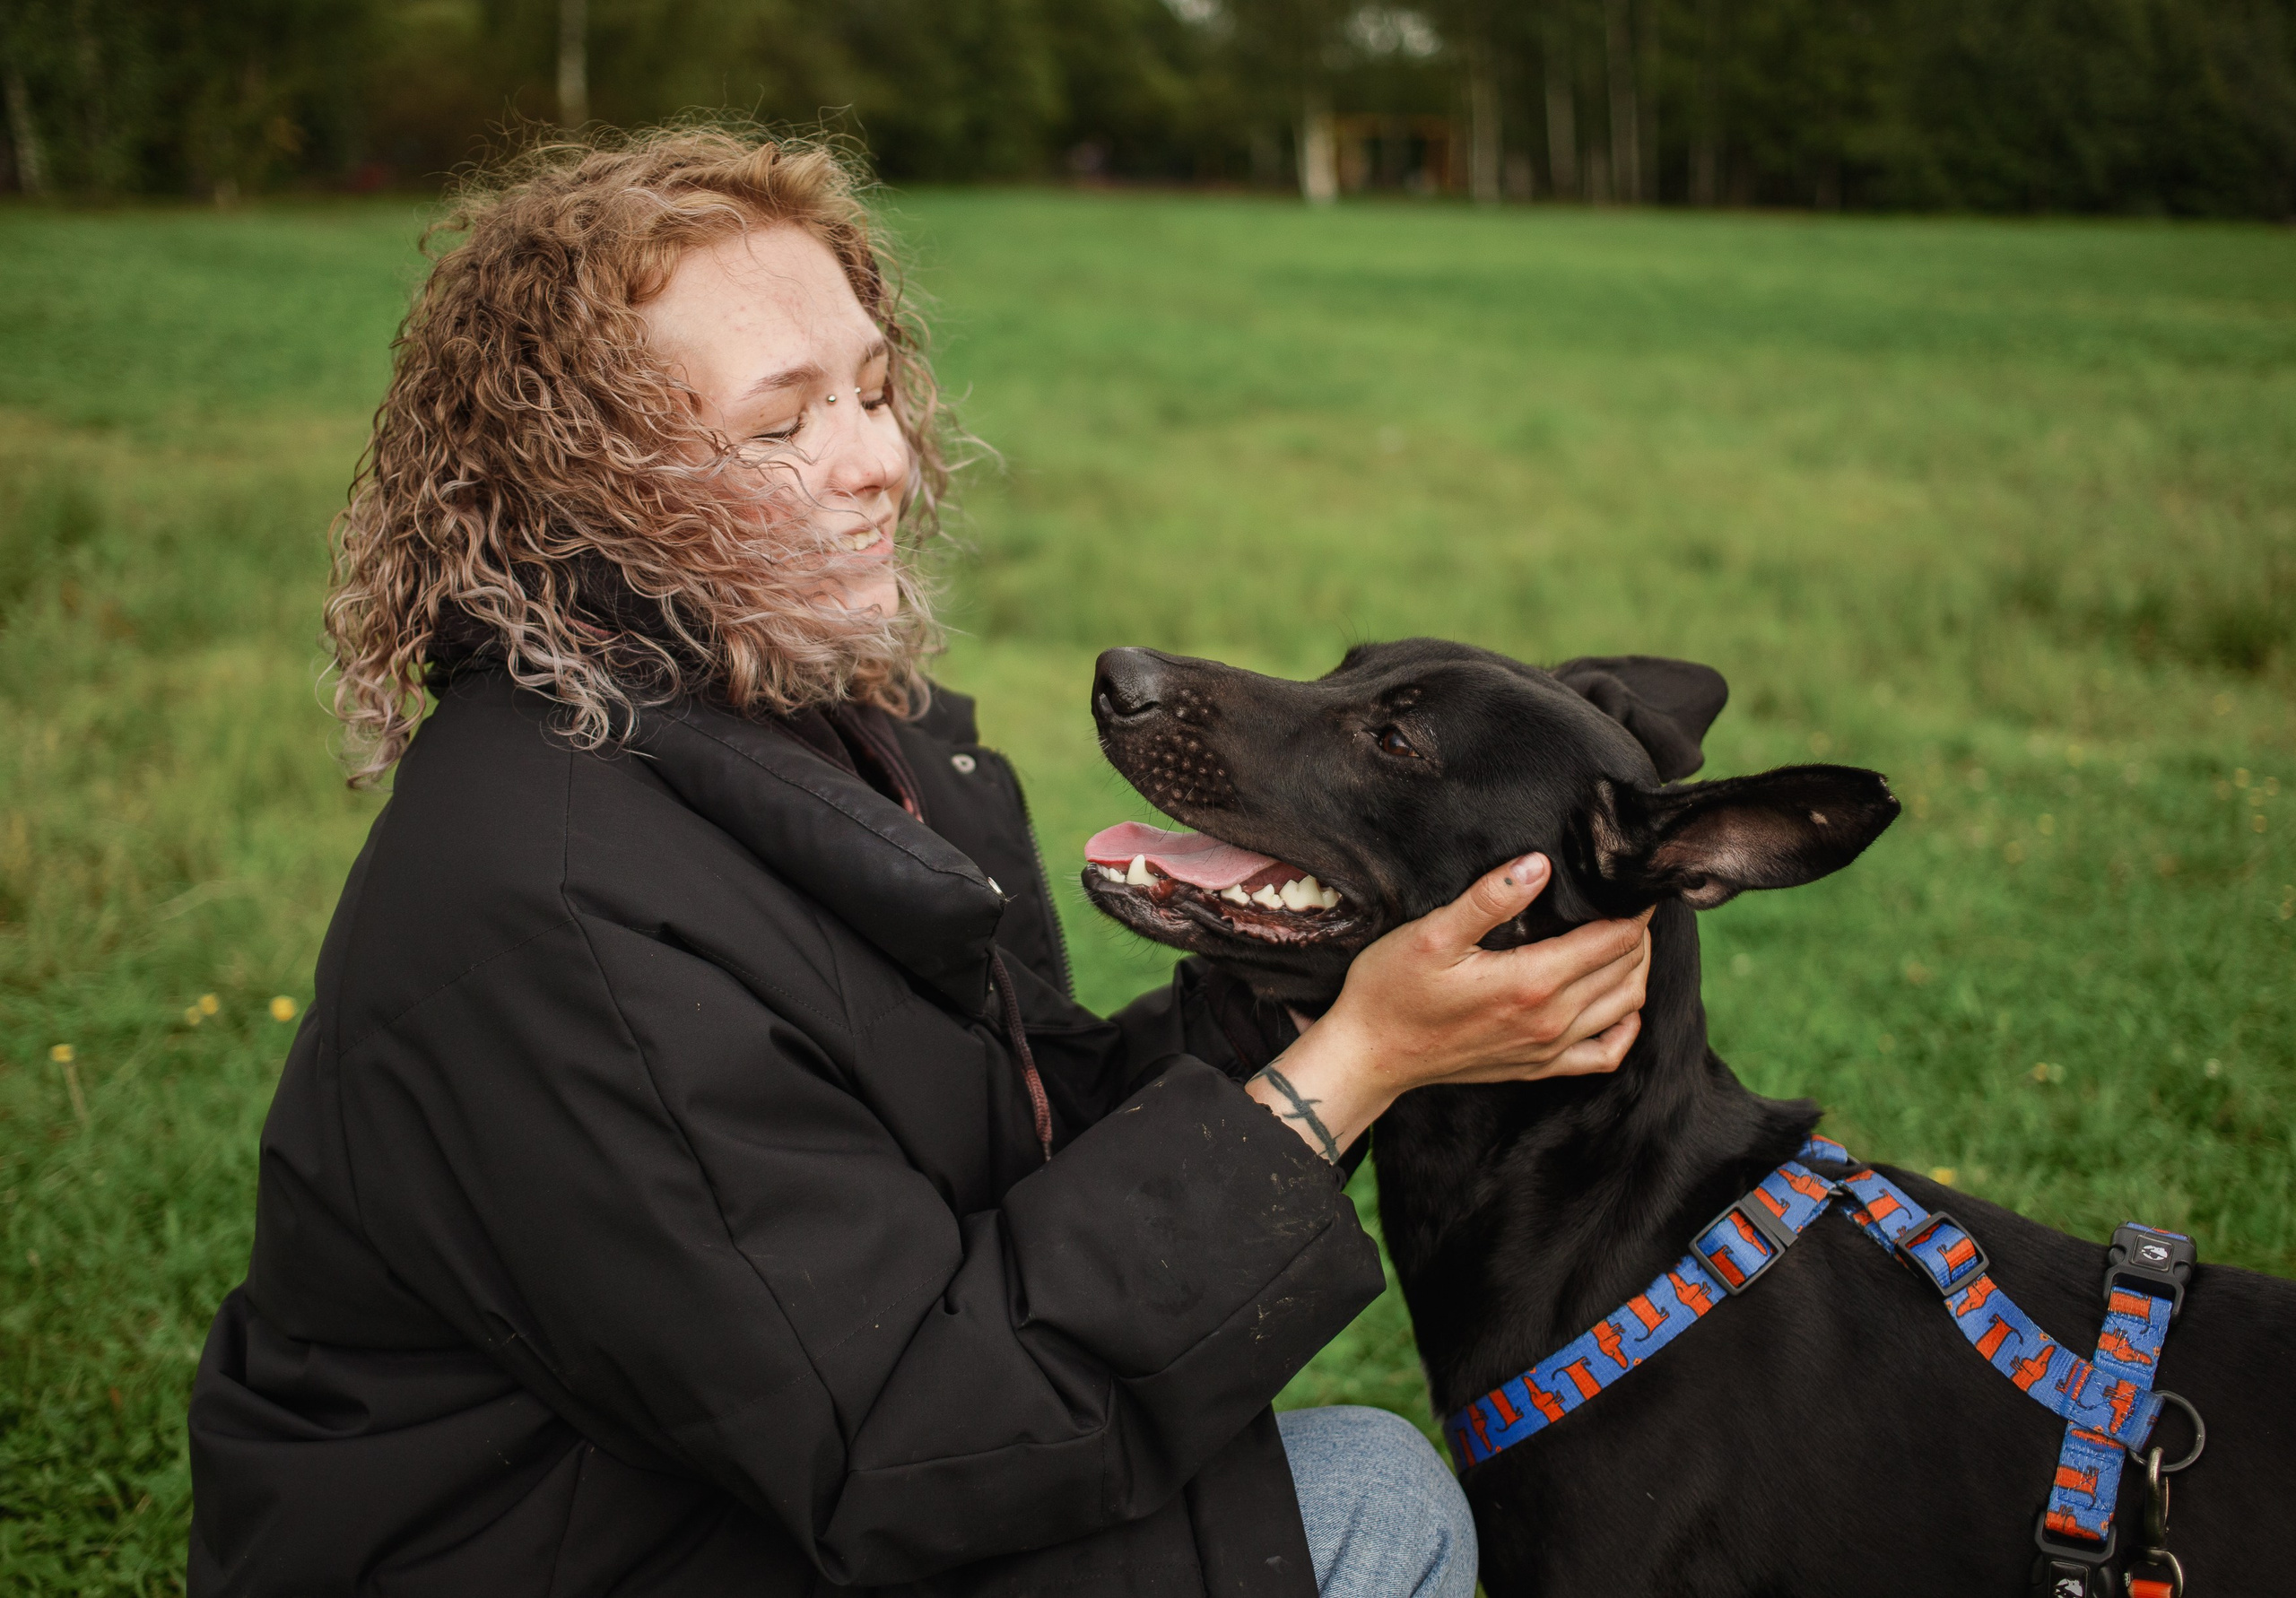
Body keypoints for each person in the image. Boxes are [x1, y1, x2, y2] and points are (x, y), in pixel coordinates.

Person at [186, 129, 1653, 1598]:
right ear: (588, 488)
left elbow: (1012, 1137)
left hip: (699, 1488)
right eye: (781, 425)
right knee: (1364, 1508)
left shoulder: (804, 727)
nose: (880, 459)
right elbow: (909, 1439)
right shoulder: (556, 900)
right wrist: (1350, 1070)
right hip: (545, 1549)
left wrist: (1305, 1000)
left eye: (875, 390)